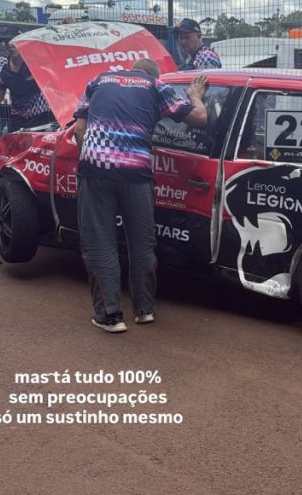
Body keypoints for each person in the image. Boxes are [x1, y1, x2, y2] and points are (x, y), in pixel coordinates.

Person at [72, 59, 208, 333]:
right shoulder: (157, 86)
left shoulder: (98, 80)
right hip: (136, 173)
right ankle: (144, 310)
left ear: (132, 69)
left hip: (96, 170)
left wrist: (94, 156)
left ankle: (110, 316)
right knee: (142, 242)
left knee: (100, 243)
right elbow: (200, 119)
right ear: (152, 75)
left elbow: (78, 130)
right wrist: (195, 96)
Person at [0, 35, 55, 132]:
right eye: (6, 42)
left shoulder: (35, 62)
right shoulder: (1, 65)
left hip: (40, 120)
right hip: (17, 120)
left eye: (13, 41)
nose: (10, 45)